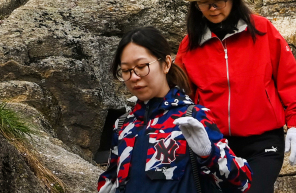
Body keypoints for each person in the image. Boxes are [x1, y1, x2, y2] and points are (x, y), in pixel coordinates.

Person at [176, 0, 296, 193]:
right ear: (196, 5)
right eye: (205, 1)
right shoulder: (190, 45)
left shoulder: (262, 30)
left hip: (263, 141)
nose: (213, 7)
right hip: (214, 143)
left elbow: (290, 80)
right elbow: (179, 96)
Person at [98, 26, 253, 193]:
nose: (134, 77)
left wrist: (210, 154)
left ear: (166, 64)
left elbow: (242, 182)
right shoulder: (123, 125)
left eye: (142, 66)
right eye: (126, 70)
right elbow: (111, 179)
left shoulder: (193, 117)